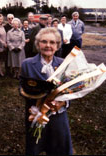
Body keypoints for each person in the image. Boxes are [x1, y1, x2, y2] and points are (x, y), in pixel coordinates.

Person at [20, 27, 73, 155]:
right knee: (35, 147)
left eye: (52, 42)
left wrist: (63, 103)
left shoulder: (64, 64)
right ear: (38, 44)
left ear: (58, 45)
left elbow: (71, 90)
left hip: (58, 115)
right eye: (44, 41)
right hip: (36, 116)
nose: (48, 45)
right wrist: (36, 104)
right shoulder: (27, 64)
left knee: (59, 149)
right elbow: (21, 88)